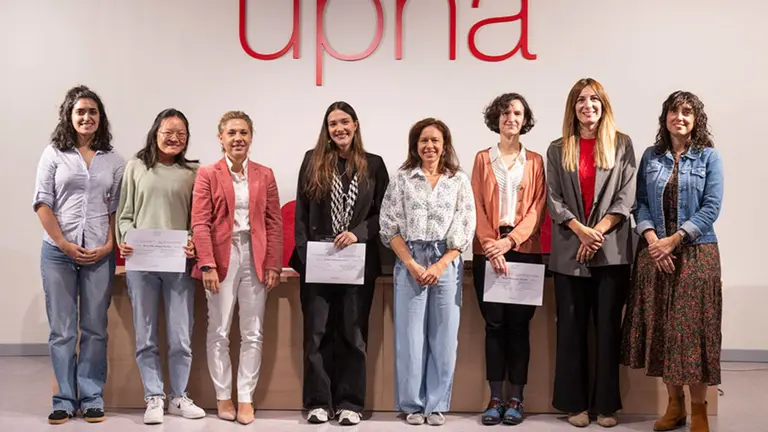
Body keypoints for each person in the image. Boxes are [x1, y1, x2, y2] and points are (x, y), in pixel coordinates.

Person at [621, 91, 723, 432]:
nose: (680, 117)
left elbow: (711, 207)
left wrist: (674, 240)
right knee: (664, 330)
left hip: (697, 254)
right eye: (674, 111)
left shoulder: (709, 157)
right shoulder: (652, 156)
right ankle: (674, 406)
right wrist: (652, 241)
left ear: (696, 119)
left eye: (687, 112)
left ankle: (699, 411)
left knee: (692, 334)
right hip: (655, 254)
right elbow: (640, 204)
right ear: (664, 117)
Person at [289, 101, 389, 425]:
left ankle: (350, 403)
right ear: (327, 129)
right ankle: (318, 402)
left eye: (344, 122)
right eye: (333, 124)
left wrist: (358, 233)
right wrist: (307, 256)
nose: (339, 129)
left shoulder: (373, 165)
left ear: (355, 125)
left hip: (357, 263)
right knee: (317, 334)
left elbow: (384, 216)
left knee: (353, 334)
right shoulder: (312, 160)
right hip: (318, 262)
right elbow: (301, 214)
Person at [545, 78, 637, 428]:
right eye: (581, 100)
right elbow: (553, 198)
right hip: (570, 250)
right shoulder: (558, 148)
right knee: (571, 331)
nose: (588, 105)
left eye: (594, 99)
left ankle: (606, 406)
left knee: (607, 331)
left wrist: (597, 231)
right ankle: (574, 404)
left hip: (610, 251)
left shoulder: (622, 144)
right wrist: (580, 230)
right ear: (573, 107)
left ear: (603, 105)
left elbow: (626, 197)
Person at [33, 85, 125, 424]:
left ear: (100, 119)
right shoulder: (53, 154)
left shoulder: (115, 160)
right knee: (63, 330)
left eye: (92, 112)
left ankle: (91, 396)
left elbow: (117, 208)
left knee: (95, 327)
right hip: (58, 253)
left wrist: (108, 245)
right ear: (69, 117)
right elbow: (42, 203)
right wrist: (63, 243)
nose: (86, 117)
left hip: (100, 253)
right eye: (80, 112)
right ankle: (63, 399)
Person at [380, 117, 476, 426]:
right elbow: (389, 225)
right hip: (409, 257)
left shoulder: (458, 180)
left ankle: (435, 405)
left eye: (435, 140)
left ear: (445, 145)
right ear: (415, 146)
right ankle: (412, 404)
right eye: (424, 140)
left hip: (445, 261)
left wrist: (440, 263)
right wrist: (410, 262)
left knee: (444, 337)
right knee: (409, 337)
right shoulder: (403, 179)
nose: (430, 146)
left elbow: (465, 226)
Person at [191, 110, 283, 425]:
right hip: (221, 256)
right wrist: (206, 264)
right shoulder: (207, 174)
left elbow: (273, 221)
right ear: (221, 138)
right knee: (218, 330)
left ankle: (245, 397)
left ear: (251, 137)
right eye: (231, 133)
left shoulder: (264, 174)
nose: (238, 138)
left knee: (253, 332)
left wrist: (273, 262)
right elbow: (200, 223)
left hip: (254, 256)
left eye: (243, 132)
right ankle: (222, 395)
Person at [116, 108, 205, 424]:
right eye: (169, 131)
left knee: (181, 336)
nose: (175, 138)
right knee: (147, 334)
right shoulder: (136, 167)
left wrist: (194, 240)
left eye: (181, 133)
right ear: (155, 132)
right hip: (142, 264)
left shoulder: (194, 172)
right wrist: (124, 238)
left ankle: (178, 396)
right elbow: (124, 214)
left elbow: (199, 218)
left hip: (178, 264)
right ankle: (154, 396)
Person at [470, 93, 547, 426]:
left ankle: (517, 398)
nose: (510, 117)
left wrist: (511, 241)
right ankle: (495, 397)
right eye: (504, 112)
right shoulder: (481, 159)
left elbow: (537, 209)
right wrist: (492, 245)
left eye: (517, 112)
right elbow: (475, 205)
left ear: (525, 119)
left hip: (525, 251)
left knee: (519, 327)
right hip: (487, 252)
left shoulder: (536, 161)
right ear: (496, 118)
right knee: (494, 326)